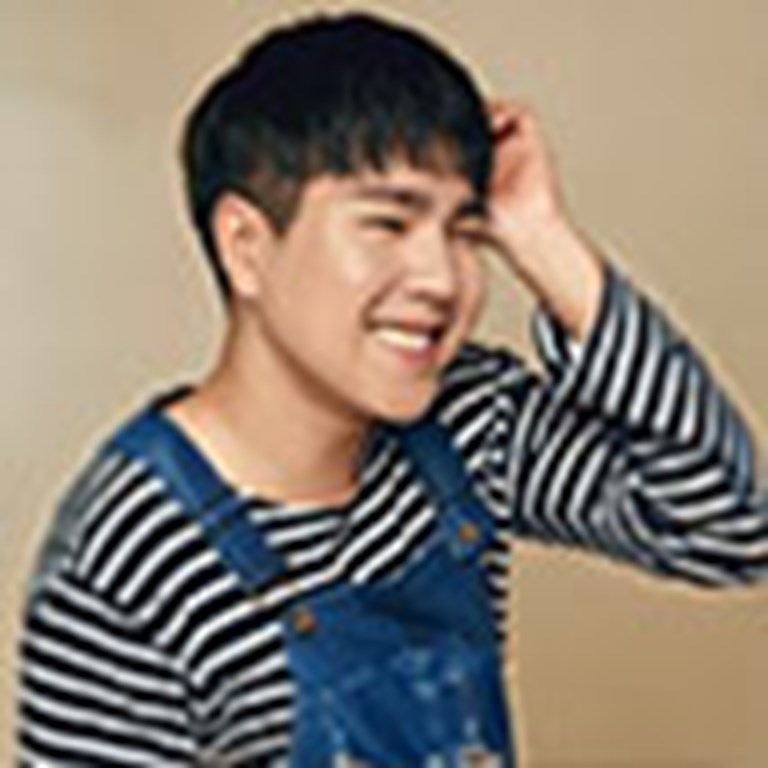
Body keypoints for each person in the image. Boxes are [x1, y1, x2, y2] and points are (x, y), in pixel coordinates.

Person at [17, 11, 766, 767]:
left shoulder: (467, 424)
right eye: (388, 224)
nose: (441, 279)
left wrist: (542, 236)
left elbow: (730, 527)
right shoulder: (126, 561)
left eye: (465, 232)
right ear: (246, 246)